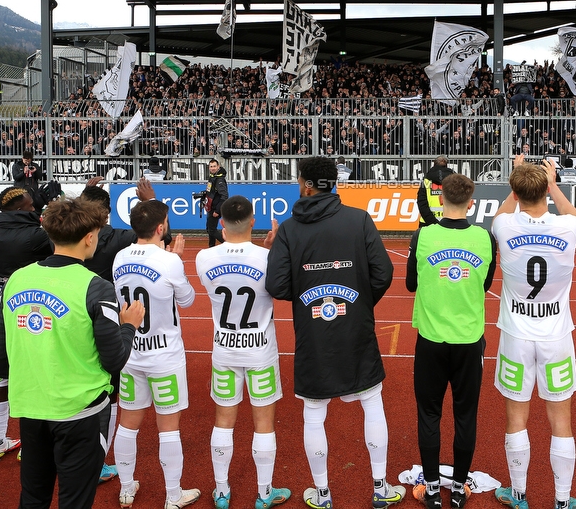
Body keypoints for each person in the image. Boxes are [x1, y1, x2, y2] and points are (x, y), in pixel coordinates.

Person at [267, 156, 405, 509]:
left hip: (313, 335)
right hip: (356, 328)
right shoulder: (358, 220)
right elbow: (384, 272)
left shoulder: (289, 229)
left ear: (308, 185)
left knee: (314, 412)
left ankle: (323, 494)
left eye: (300, 181)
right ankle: (380, 487)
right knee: (372, 402)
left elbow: (277, 285)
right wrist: (360, 302)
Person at [0, 197, 144, 509]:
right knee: (74, 500)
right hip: (81, 412)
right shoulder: (96, 286)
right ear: (90, 237)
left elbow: (0, 359)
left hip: (31, 407)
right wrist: (128, 326)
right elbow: (114, 359)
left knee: (33, 497)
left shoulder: (16, 280)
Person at [491, 155, 576, 509]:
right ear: (545, 190)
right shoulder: (568, 228)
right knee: (561, 421)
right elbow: (574, 215)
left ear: (515, 191)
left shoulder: (504, 226)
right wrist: (554, 184)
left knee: (517, 418)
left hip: (515, 335)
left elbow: (502, 212)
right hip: (556, 336)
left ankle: (519, 496)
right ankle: (562, 501)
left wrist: (517, 175)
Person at [406, 173, 497, 509]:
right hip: (469, 341)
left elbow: (411, 285)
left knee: (429, 414)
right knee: (465, 414)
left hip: (430, 340)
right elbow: (485, 284)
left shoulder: (423, 236)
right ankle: (458, 488)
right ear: (471, 202)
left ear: (440, 200)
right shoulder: (485, 238)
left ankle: (431, 489)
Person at [196, 196, 290, 509]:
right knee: (264, 422)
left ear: (220, 223)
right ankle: (264, 493)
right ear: (253, 221)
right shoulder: (267, 257)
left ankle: (222, 490)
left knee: (223, 420)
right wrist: (273, 250)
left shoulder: (203, 258)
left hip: (224, 350)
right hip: (260, 351)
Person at [112, 201, 201, 509]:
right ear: (161, 228)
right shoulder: (168, 260)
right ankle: (173, 495)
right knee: (168, 427)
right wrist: (176, 258)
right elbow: (187, 300)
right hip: (164, 354)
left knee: (128, 422)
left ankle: (126, 488)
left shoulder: (119, 257)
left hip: (131, 351)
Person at [80, 177, 156, 483]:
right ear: (108, 213)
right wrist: (149, 202)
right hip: (106, 317)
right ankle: (97, 461)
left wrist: (85, 193)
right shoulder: (118, 237)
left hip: (70, 316)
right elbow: (154, 236)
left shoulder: (64, 235)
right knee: (106, 391)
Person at [0, 186, 54, 463]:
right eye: (32, 206)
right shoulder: (36, 235)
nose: (35, 208)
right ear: (23, 209)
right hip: (29, 306)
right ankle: (30, 444)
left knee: (2, 377)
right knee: (36, 375)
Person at [417, 156, 455, 227]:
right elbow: (457, 203)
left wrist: (433, 223)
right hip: (449, 223)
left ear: (434, 165)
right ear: (446, 166)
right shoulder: (453, 181)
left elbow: (422, 204)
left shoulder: (426, 181)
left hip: (427, 224)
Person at [203, 158, 229, 247]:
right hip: (211, 207)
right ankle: (211, 247)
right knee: (210, 229)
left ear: (218, 167)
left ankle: (227, 244)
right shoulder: (213, 177)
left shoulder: (219, 179)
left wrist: (217, 210)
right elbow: (212, 191)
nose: (213, 168)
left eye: (214, 166)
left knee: (211, 230)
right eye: (211, 166)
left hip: (215, 208)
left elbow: (224, 196)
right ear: (209, 168)